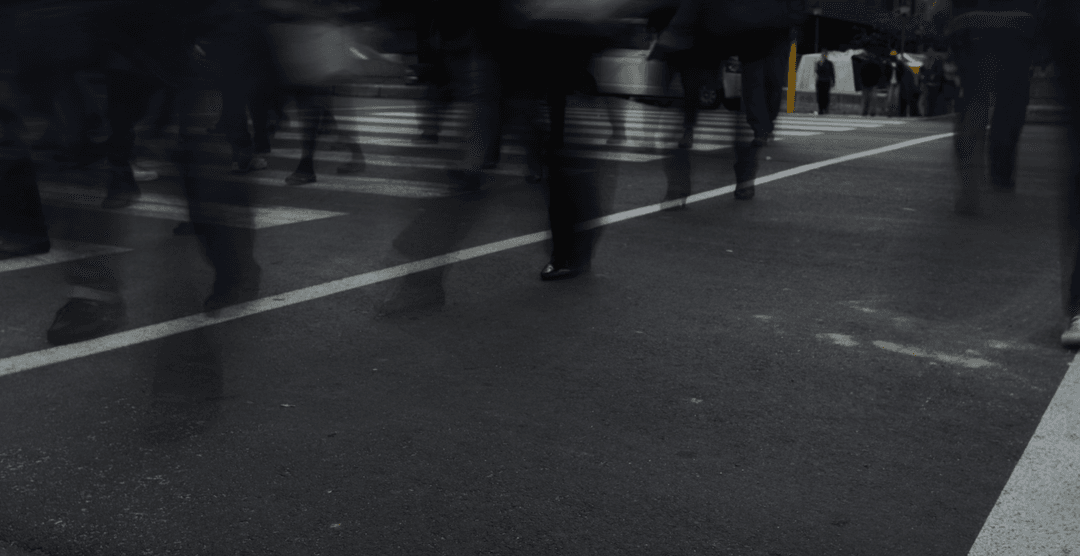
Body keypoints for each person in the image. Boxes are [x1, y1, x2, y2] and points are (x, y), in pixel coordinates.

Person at [946, 0, 1041, 214]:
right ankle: (1000, 172)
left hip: (970, 20)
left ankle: (969, 183)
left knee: (973, 99)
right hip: (1018, 23)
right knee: (1011, 104)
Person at [815, 48, 835, 115]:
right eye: (823, 54)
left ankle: (825, 108)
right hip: (820, 81)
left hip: (826, 81)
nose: (824, 55)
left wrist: (833, 81)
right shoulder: (819, 62)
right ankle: (820, 109)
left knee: (826, 96)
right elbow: (817, 71)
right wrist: (820, 65)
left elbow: (832, 73)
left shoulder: (829, 63)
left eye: (825, 54)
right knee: (820, 96)